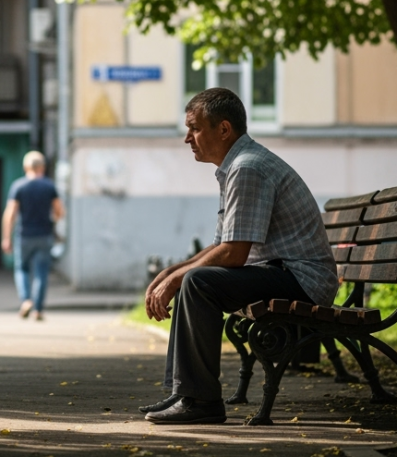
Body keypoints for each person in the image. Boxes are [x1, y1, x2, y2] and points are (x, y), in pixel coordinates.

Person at [142, 88, 337, 424]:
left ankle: (200, 400)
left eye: (195, 128)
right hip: (283, 272)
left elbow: (233, 254)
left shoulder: (249, 168)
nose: (188, 138)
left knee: (199, 282)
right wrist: (171, 272)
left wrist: (178, 277)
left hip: (303, 280)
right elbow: (222, 245)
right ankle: (184, 391)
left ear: (224, 129)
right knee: (194, 277)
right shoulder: (237, 167)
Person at [1, 151, 64, 321]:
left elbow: (10, 213)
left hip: (24, 235)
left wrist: (6, 237)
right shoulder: (49, 186)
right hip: (45, 235)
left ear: (26, 167)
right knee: (41, 272)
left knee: (21, 269)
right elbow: (59, 211)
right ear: (42, 167)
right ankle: (38, 310)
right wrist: (53, 221)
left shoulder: (18, 186)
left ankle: (26, 300)